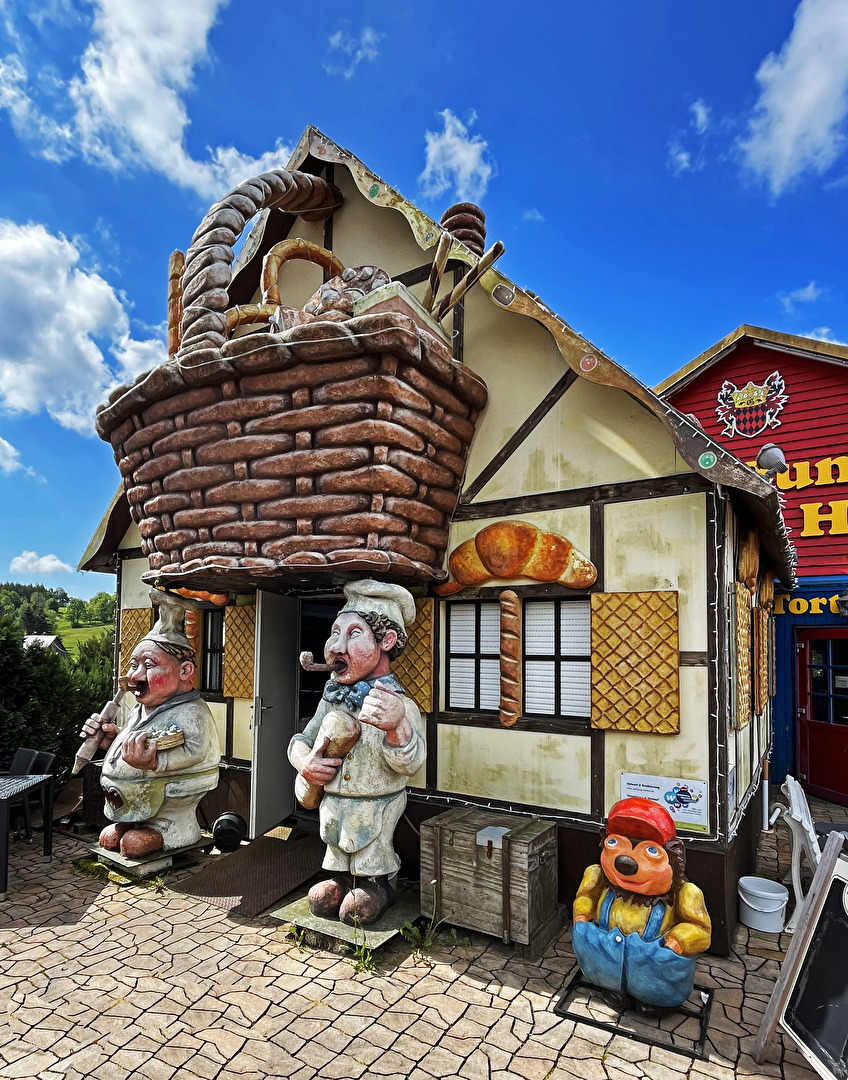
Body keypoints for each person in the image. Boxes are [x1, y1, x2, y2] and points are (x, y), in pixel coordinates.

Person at [288, 579, 425, 926]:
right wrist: (306, 763)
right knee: (322, 900)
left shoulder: (399, 705)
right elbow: (300, 739)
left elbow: (411, 762)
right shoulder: (330, 698)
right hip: (334, 806)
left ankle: (378, 884)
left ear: (386, 641)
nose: (337, 646)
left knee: (359, 903)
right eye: (334, 633)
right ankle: (339, 878)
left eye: (353, 634)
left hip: (377, 806)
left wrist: (397, 728)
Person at [79, 590, 219, 858]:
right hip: (132, 798)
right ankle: (132, 822)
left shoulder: (192, 711)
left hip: (172, 798)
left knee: (133, 844)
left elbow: (197, 751)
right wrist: (111, 740)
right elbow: (132, 737)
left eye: (149, 665)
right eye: (134, 665)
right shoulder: (140, 708)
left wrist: (155, 764)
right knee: (112, 838)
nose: (135, 675)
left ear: (185, 671)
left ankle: (170, 831)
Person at [572, 797, 711, 1010]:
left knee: (655, 990)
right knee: (606, 973)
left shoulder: (685, 893)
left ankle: (652, 999)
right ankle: (613, 989)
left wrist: (676, 942)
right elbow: (585, 897)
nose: (626, 861)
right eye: (615, 843)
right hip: (605, 957)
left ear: (673, 855)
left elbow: (701, 930)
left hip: (654, 969)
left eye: (651, 851)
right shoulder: (597, 876)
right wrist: (582, 917)